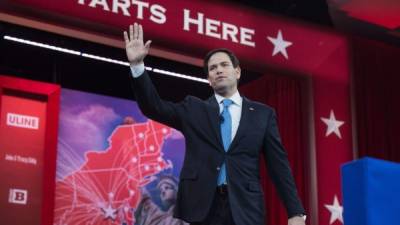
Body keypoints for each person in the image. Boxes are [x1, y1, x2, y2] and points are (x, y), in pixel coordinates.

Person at [124, 23, 306, 225]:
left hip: (245, 208)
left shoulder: (263, 114)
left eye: (224, 65)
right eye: (213, 68)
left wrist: (296, 212)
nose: (219, 70)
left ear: (237, 72)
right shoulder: (194, 109)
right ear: (209, 80)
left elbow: (278, 165)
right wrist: (137, 66)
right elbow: (153, 107)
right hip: (202, 208)